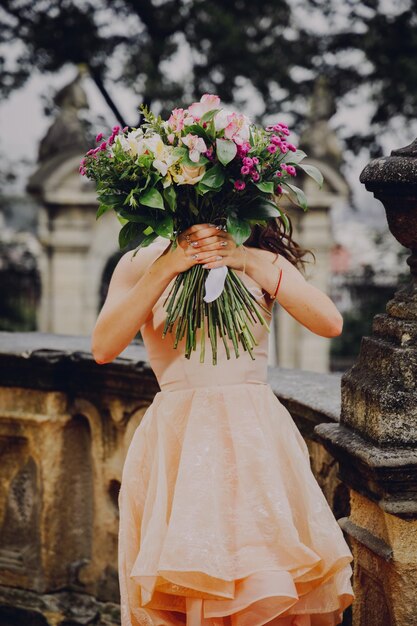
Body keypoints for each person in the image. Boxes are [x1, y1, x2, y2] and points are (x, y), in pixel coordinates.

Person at [91, 217, 355, 626]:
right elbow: (104, 347)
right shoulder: (141, 260)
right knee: (191, 589)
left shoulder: (259, 257)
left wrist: (244, 258)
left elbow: (329, 322)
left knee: (263, 584)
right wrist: (167, 267)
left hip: (255, 446)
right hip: (181, 449)